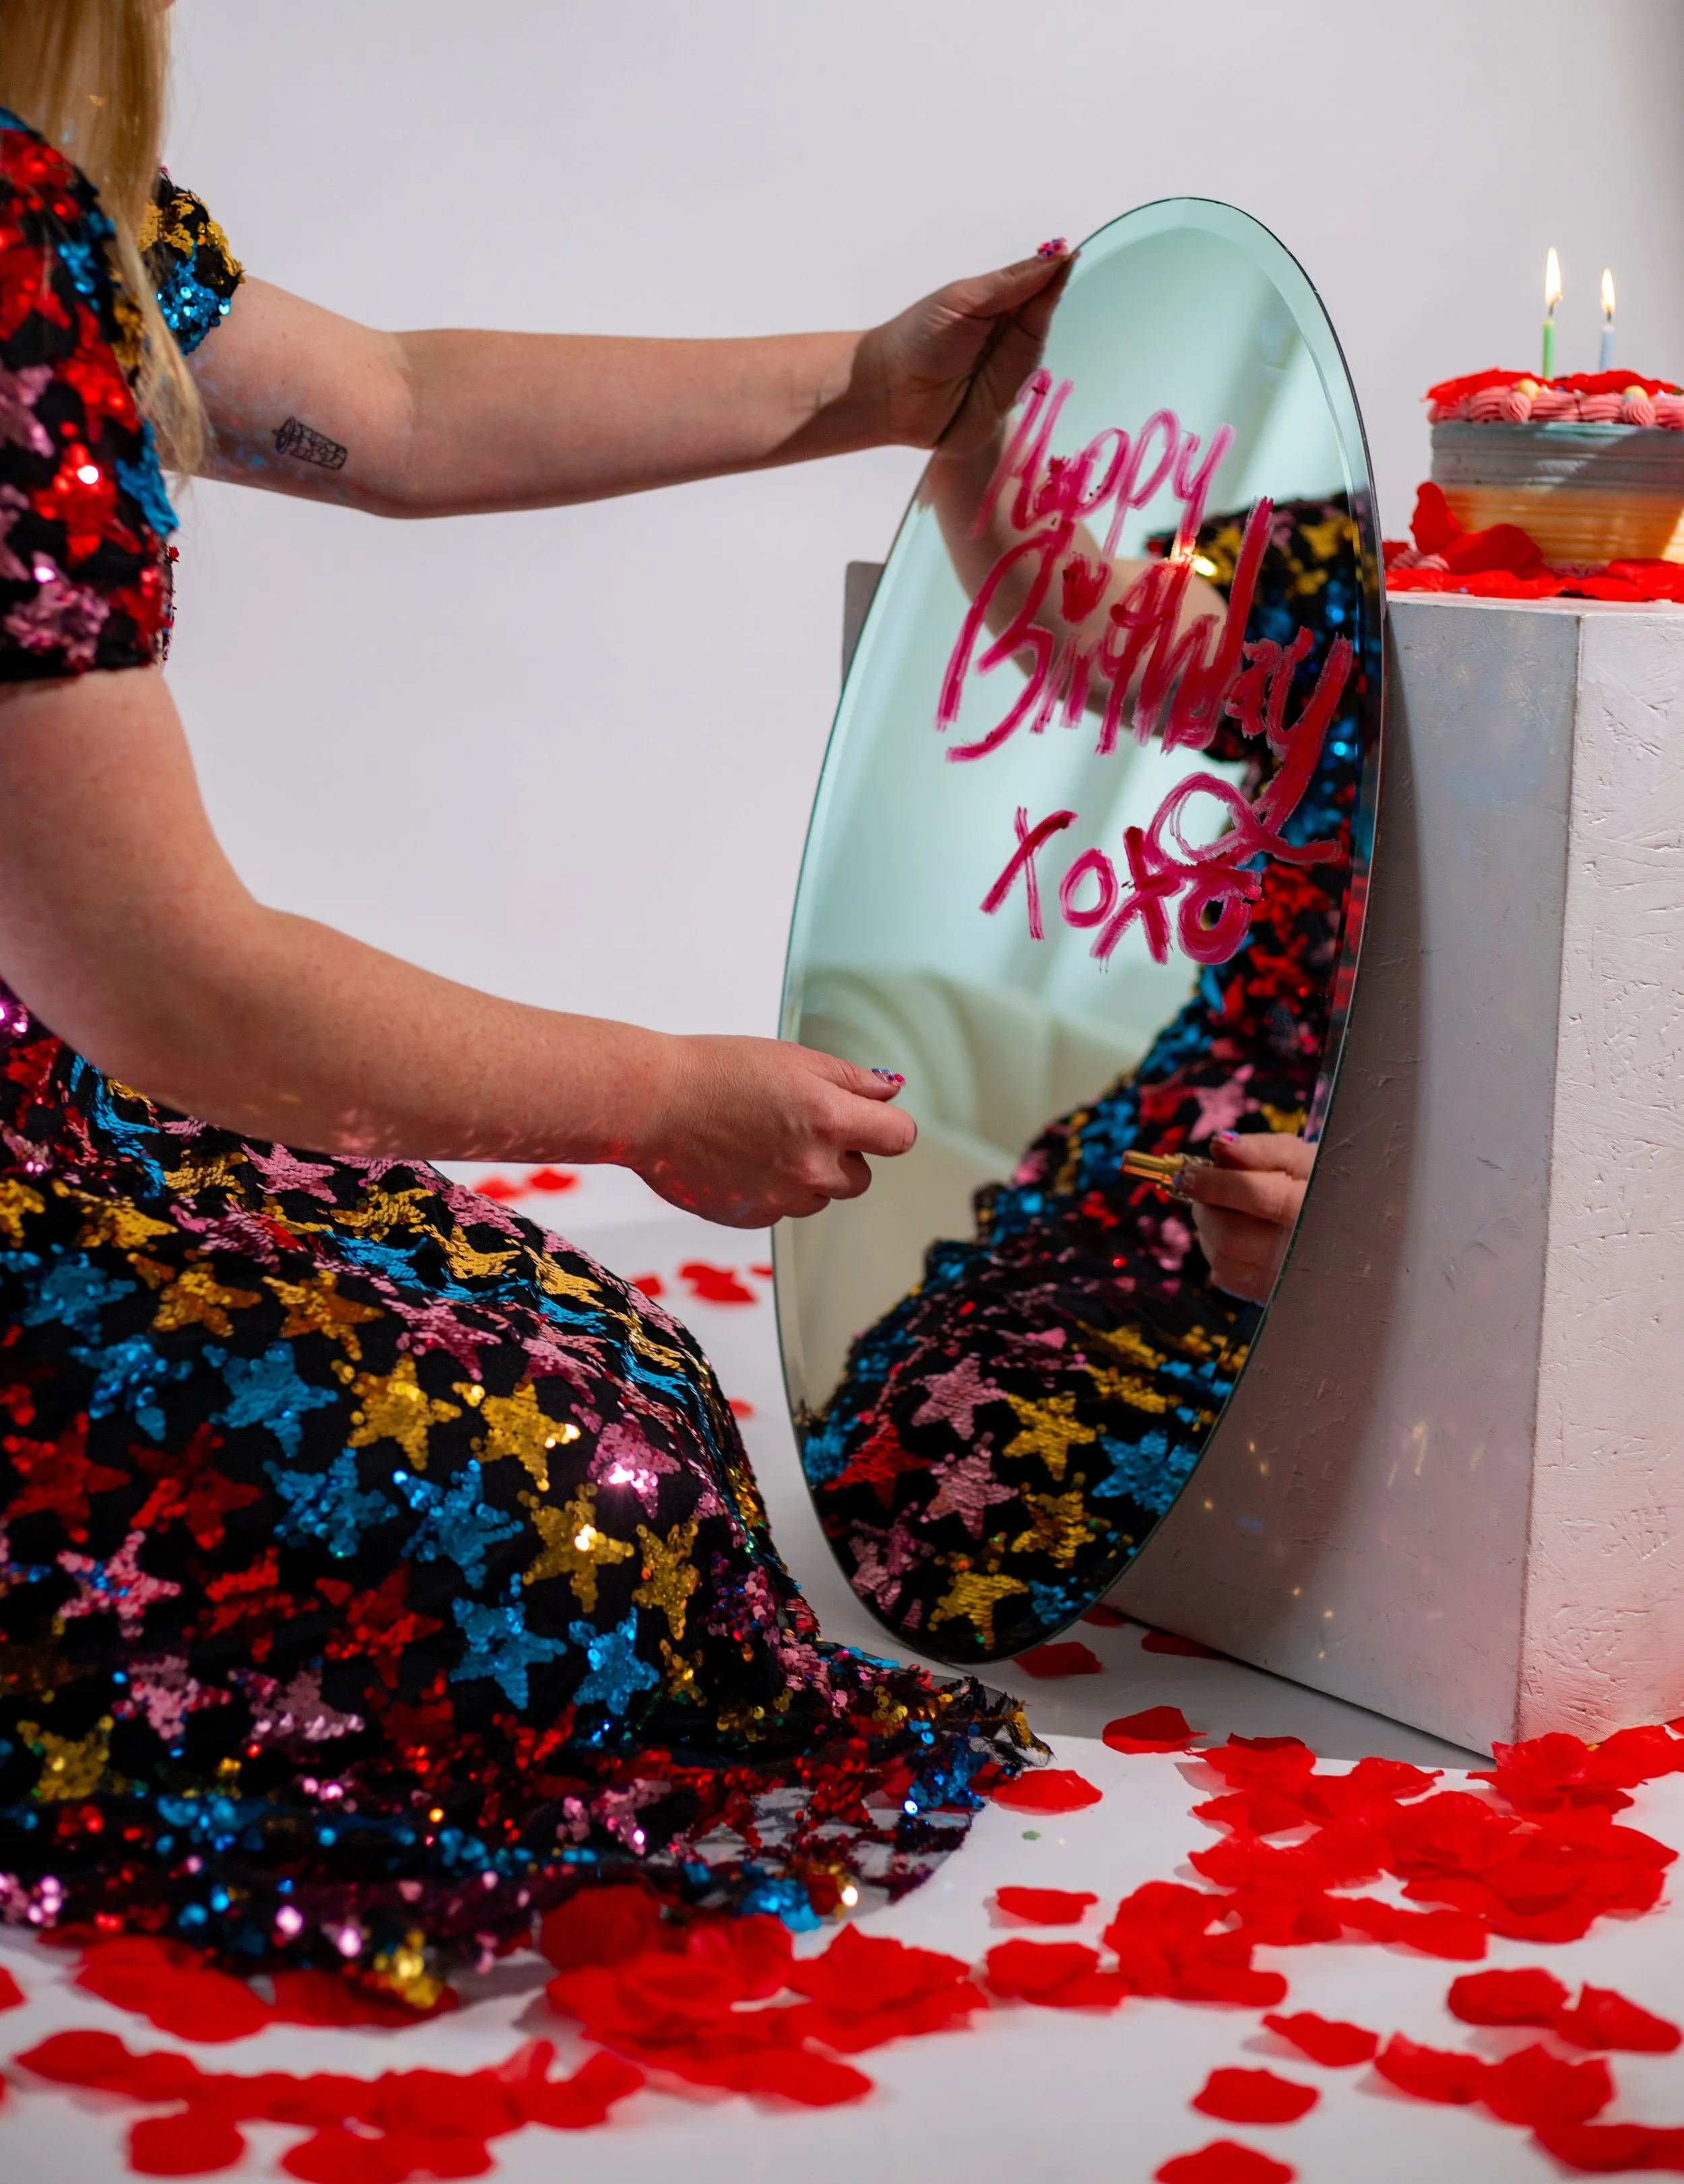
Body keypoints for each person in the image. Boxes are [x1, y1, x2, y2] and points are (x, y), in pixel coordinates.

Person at [0, 0, 1071, 1991]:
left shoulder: (56, 226)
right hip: (79, 1090)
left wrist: (869, 384)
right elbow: (172, 986)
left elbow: (392, 404)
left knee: (630, 1388)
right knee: (565, 1521)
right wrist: (654, 1093)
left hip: (52, 1111)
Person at [802, 416, 1363, 1663]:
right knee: (916, 1428)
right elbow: (1097, 625)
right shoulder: (1341, 589)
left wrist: (1387, 1249)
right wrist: (963, 427)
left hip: (1481, 1278)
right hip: (1191, 1166)